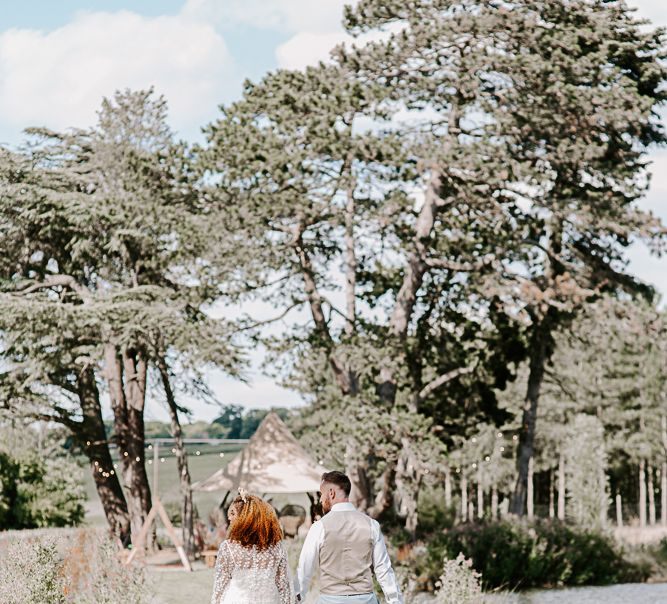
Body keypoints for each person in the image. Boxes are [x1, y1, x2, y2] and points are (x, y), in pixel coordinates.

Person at [296, 471, 404, 604]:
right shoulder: (371, 525)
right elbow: (384, 570)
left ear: (331, 493)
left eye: (321, 494)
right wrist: (395, 601)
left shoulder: (319, 528)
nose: (320, 500)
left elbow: (305, 570)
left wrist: (296, 599)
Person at [211, 488, 295, 604]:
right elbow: (284, 589)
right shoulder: (277, 548)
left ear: (246, 519)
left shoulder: (228, 548)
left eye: (233, 513)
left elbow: (219, 590)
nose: (229, 518)